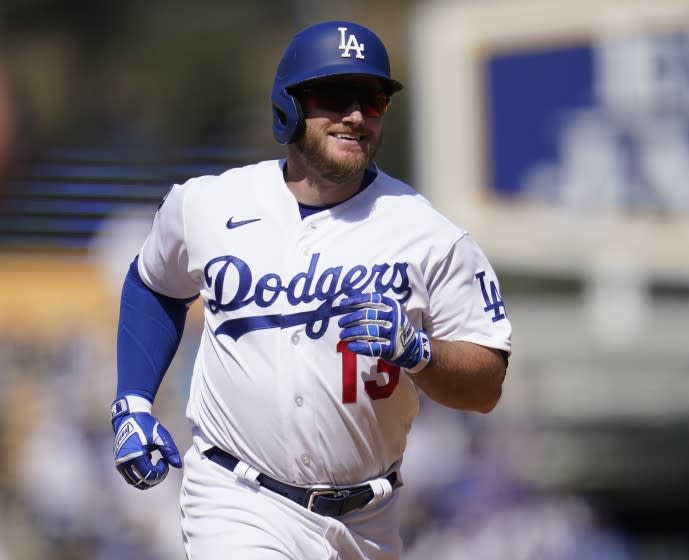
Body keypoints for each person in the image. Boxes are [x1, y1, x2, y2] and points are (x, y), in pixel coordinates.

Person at [109, 19, 512, 560]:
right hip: (237, 496)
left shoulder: (430, 237)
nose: (354, 116)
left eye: (371, 100)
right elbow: (153, 284)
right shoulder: (208, 205)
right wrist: (132, 402)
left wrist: (419, 352)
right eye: (334, 96)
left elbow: (485, 385)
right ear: (289, 106)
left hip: (369, 519)